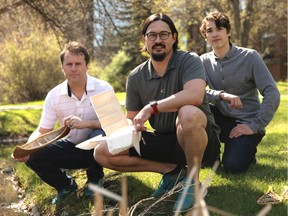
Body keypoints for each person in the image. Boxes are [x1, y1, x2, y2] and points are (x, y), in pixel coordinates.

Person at [93, 13, 220, 212]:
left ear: (174, 37)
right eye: (152, 35)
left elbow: (195, 95)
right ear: (144, 39)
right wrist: (129, 126)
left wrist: (152, 107)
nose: (158, 40)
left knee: (188, 113)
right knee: (102, 152)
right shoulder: (136, 77)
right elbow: (131, 117)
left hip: (199, 140)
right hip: (164, 142)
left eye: (164, 34)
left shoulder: (189, 60)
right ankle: (172, 173)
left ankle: (193, 184)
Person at [14, 41, 113, 204]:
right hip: (71, 148)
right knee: (33, 155)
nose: (74, 68)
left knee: (98, 135)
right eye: (69, 64)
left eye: (78, 64)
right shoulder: (54, 95)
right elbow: (42, 130)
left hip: (101, 149)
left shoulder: (103, 88)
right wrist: (26, 148)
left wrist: (86, 123)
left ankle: (95, 181)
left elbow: (114, 125)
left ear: (87, 65)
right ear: (62, 68)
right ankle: (66, 186)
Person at [199, 11, 280, 173]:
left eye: (219, 29)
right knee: (195, 109)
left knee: (233, 166)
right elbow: (198, 92)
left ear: (228, 32)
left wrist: (255, 125)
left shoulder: (250, 57)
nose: (215, 34)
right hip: (220, 118)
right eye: (209, 31)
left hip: (246, 121)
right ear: (205, 36)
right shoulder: (203, 61)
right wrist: (220, 95)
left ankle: (247, 148)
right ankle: (211, 155)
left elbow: (272, 92)